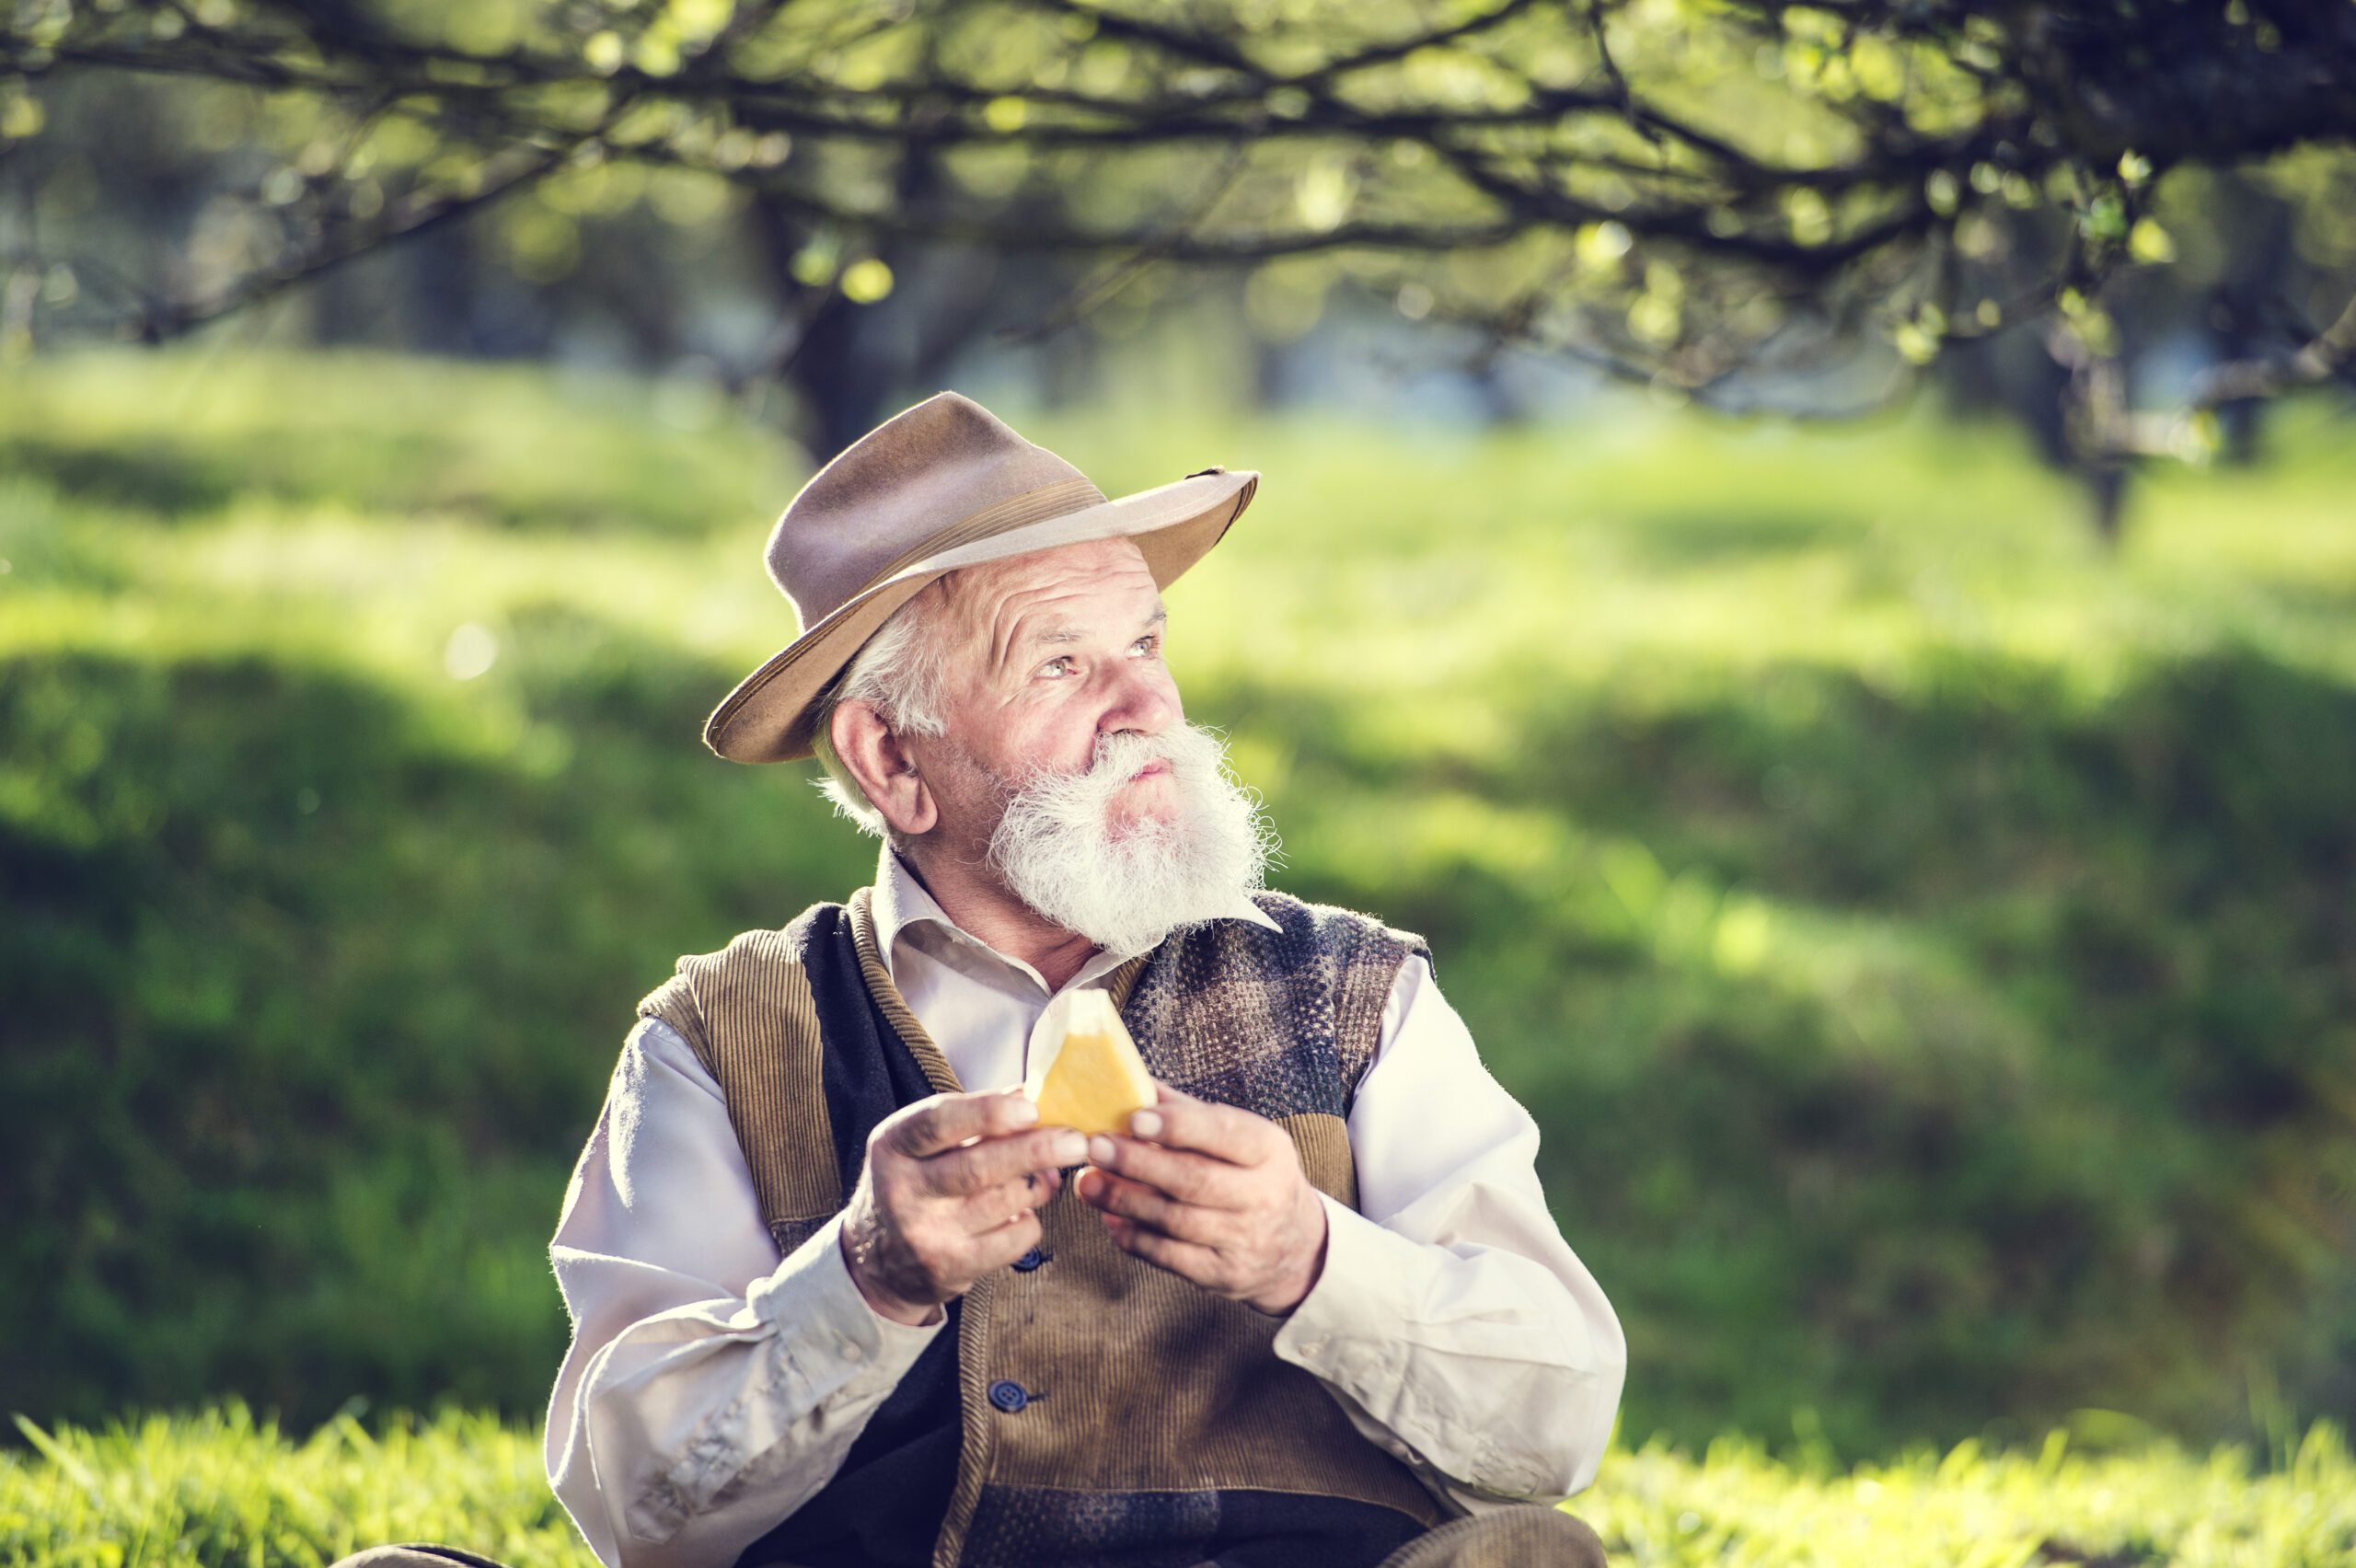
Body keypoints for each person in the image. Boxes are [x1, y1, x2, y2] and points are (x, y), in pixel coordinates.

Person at [343, 393, 1623, 1568]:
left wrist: (1310, 1256)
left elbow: (1554, 1429)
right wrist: (860, 1280)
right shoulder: (722, 1039)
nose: (1148, 708)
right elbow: (635, 1512)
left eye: (1145, 643)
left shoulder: (1355, 994)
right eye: (1063, 665)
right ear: (893, 758)